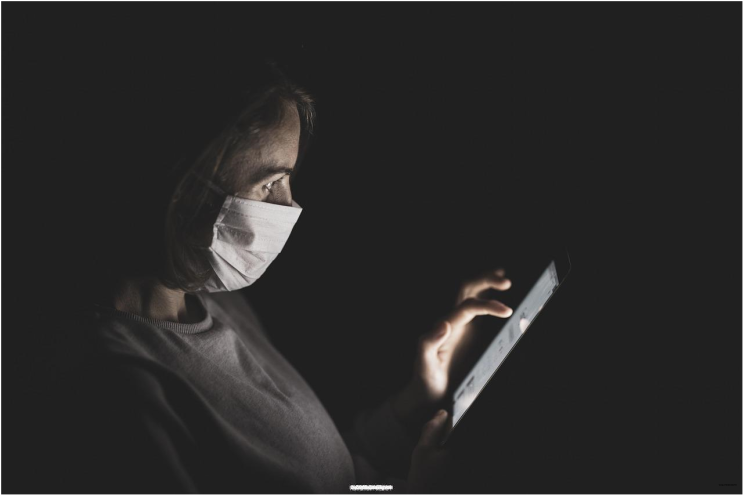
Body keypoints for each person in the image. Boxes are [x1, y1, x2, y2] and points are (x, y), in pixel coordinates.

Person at [45, 61, 514, 494]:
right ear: (182, 189)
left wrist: (416, 401)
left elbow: (328, 481)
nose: (289, 205)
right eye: (271, 183)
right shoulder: (116, 388)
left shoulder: (215, 299)